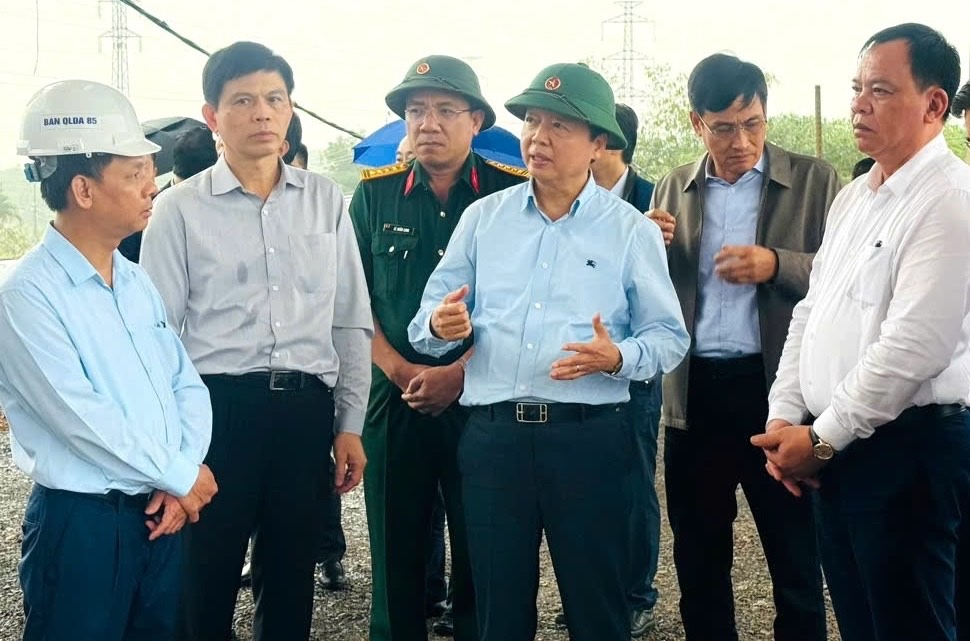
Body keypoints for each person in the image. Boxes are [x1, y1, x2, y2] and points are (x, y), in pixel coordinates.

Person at [409, 62, 689, 641]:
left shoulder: (629, 230)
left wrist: (618, 359)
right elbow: (424, 324)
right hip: (494, 442)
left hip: (590, 441)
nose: (538, 137)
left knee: (597, 609)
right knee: (497, 614)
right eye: (533, 121)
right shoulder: (484, 219)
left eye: (560, 125)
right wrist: (442, 322)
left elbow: (669, 337)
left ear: (598, 143)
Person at [140, 41, 372, 641]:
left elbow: (349, 320)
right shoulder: (178, 210)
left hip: (304, 412)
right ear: (213, 115)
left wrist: (349, 423)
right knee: (204, 576)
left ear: (291, 110)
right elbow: (157, 334)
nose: (262, 113)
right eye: (242, 100)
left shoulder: (326, 200)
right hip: (216, 411)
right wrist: (171, 446)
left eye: (274, 99)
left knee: (292, 577)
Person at [751, 23, 970, 641]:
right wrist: (783, 418)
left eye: (879, 89)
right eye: (855, 88)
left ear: (934, 104)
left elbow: (913, 349)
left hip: (909, 455)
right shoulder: (852, 199)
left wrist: (820, 439)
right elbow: (809, 312)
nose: (858, 105)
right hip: (841, 451)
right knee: (860, 620)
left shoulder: (949, 201)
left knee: (911, 623)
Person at [0, 79, 217, 641]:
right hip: (83, 528)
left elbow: (184, 384)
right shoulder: (28, 296)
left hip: (159, 510)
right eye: (134, 174)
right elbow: (81, 419)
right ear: (84, 189)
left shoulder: (134, 280)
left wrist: (180, 474)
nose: (153, 187)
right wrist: (180, 474)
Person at [649, 53, 840, 641]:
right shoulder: (673, 186)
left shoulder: (814, 180)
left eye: (753, 124)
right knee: (699, 556)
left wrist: (776, 263)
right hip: (695, 395)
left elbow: (846, 278)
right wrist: (646, 249)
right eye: (724, 127)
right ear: (695, 123)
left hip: (778, 393)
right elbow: (650, 292)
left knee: (796, 556)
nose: (741, 141)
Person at [349, 54, 527, 641]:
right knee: (395, 552)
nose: (428, 123)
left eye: (445, 110)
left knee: (485, 550)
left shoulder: (512, 197)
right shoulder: (374, 198)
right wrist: (397, 368)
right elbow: (351, 302)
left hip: (484, 401)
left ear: (476, 120)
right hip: (395, 398)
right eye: (416, 111)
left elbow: (533, 306)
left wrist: (462, 374)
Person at [584, 101, 660, 637]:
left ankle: (636, 592)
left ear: (607, 144)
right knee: (586, 486)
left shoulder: (655, 200)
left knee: (632, 482)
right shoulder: (569, 200)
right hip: (583, 371)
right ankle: (597, 594)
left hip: (633, 369)